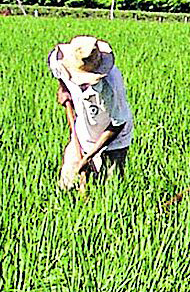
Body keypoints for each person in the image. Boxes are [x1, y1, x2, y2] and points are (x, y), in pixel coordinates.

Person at [48, 35, 131, 192]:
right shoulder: (62, 61)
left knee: (111, 190)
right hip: (82, 132)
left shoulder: (111, 87)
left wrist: (89, 156)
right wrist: (63, 89)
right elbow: (56, 70)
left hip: (113, 141)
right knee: (67, 182)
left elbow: (118, 124)